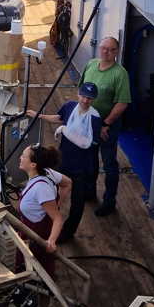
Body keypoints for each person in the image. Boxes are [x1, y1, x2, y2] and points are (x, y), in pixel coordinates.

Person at [26, 81, 102, 242]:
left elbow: (85, 142)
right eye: (83, 96)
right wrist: (39, 116)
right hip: (64, 161)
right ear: (78, 94)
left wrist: (65, 130)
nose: (85, 100)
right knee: (52, 195)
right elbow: (59, 118)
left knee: (77, 201)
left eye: (89, 98)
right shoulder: (69, 106)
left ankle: (68, 232)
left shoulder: (95, 118)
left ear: (94, 99)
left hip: (82, 166)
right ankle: (50, 225)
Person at [79, 37, 132, 216]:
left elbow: (122, 103)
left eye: (110, 49)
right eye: (103, 48)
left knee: (109, 163)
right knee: (91, 158)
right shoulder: (92, 64)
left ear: (117, 52)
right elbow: (81, 91)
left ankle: (109, 200)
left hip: (107, 126)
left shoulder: (120, 74)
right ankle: (90, 189)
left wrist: (106, 124)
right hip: (89, 123)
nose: (105, 52)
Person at [14, 143, 66, 278]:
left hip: (36, 240)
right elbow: (67, 183)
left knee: (35, 275)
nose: (20, 157)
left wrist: (51, 241)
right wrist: (55, 204)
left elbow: (57, 219)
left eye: (24, 156)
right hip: (27, 233)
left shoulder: (41, 189)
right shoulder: (48, 173)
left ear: (33, 165)